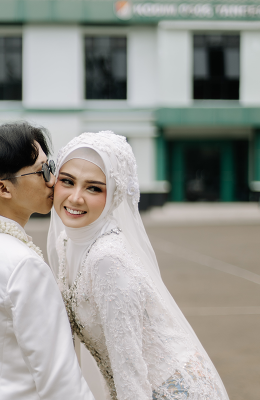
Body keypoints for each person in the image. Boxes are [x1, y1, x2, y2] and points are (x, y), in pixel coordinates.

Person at [47, 131, 229, 400]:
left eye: (93, 188)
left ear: (114, 195)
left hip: (170, 391)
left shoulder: (107, 259)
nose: (75, 197)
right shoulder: (65, 243)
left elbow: (129, 369)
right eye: (67, 181)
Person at [0, 122, 95, 400]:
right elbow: (60, 380)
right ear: (3, 188)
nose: (53, 180)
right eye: (42, 171)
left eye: (52, 166)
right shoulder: (24, 265)